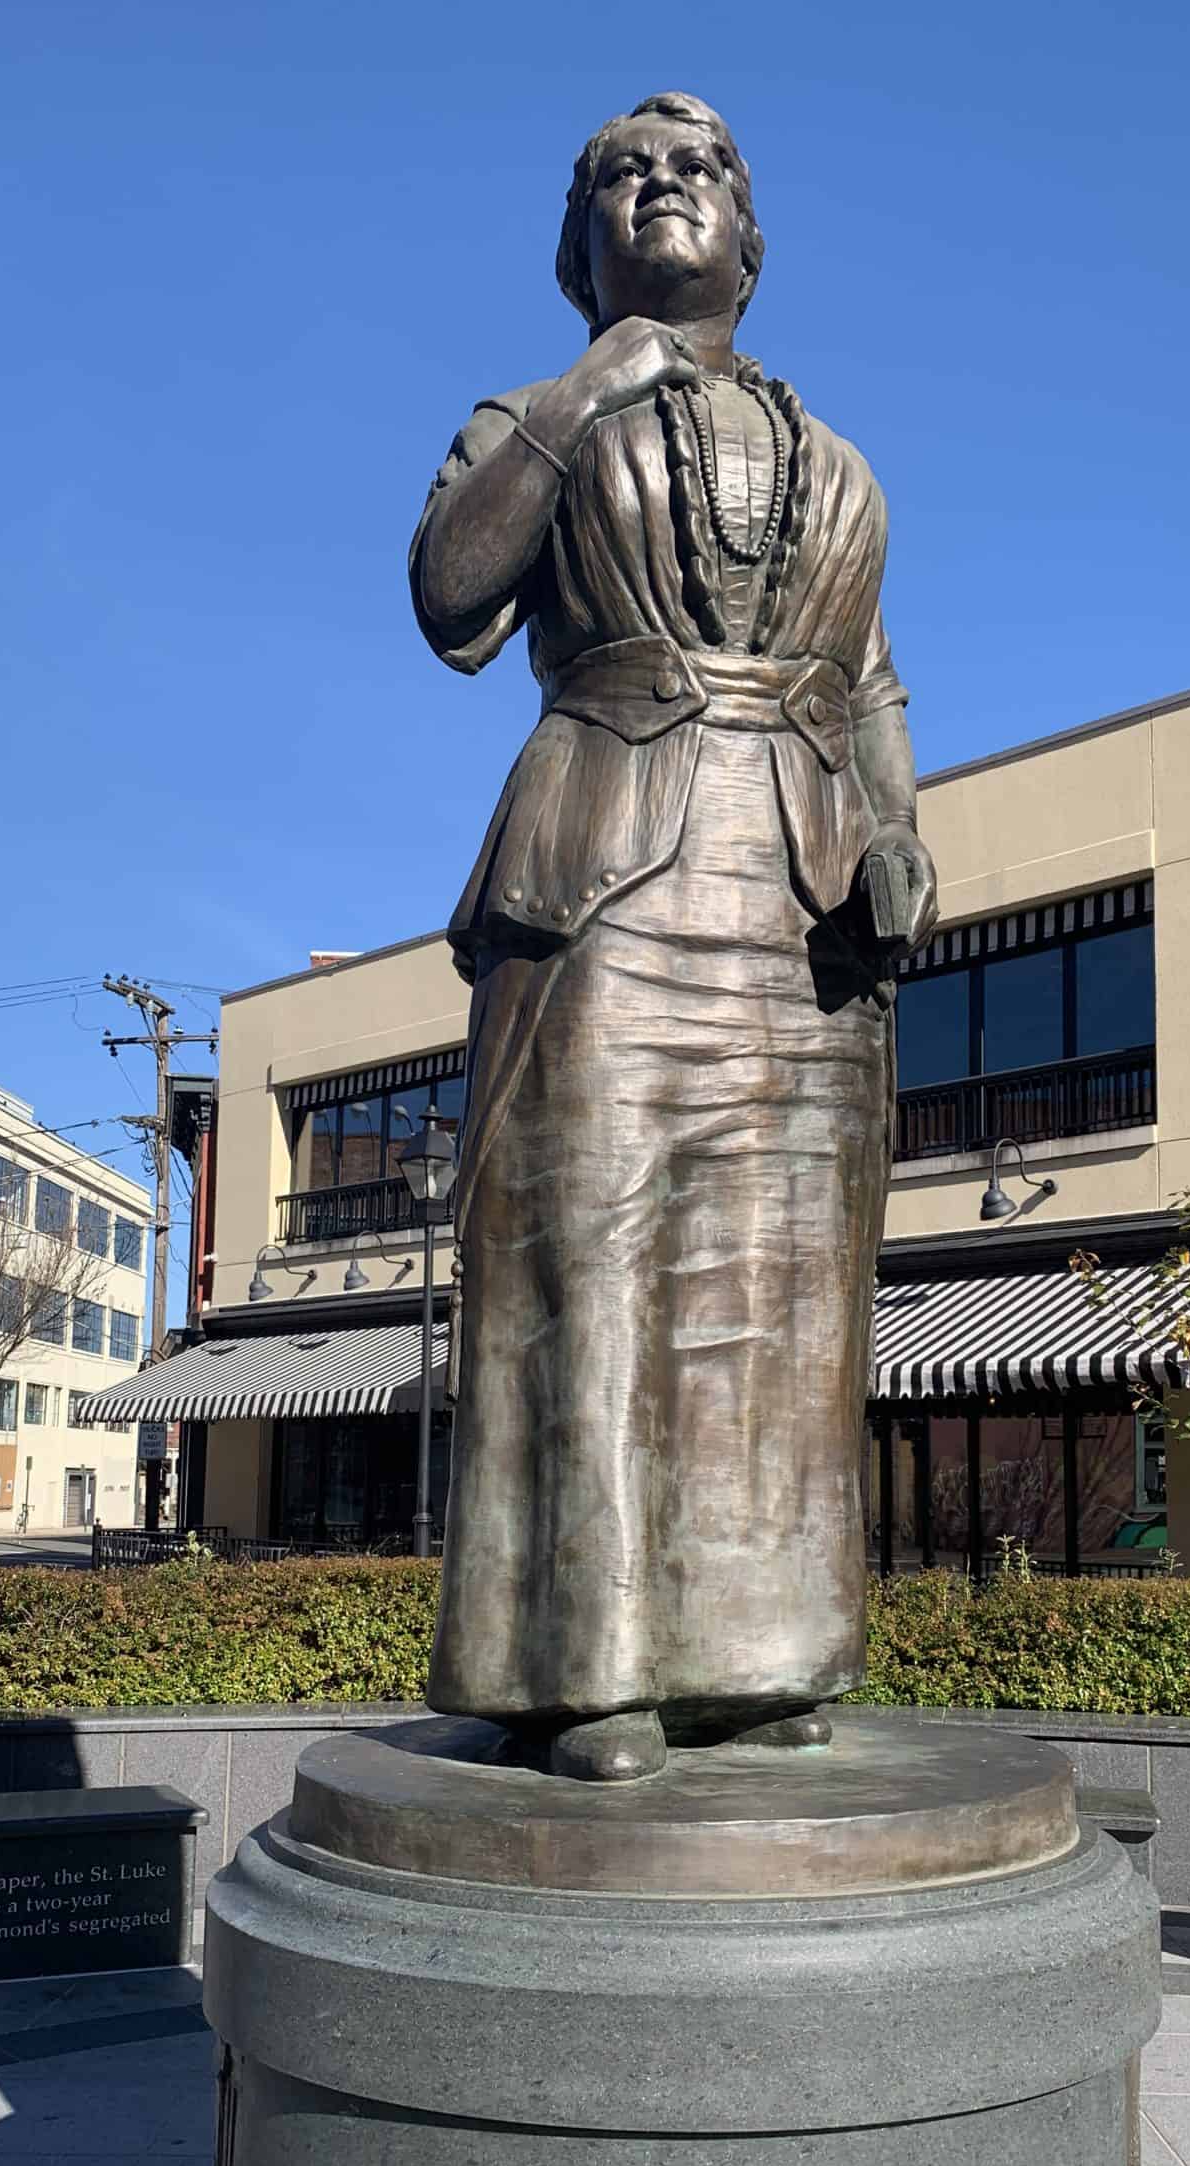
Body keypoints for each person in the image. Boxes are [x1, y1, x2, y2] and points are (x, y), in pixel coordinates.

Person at [411, 93, 936, 1779]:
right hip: (610, 871)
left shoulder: (834, 455)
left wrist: (903, 832)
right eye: (624, 176)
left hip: (799, 897)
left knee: (783, 1275)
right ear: (582, 244)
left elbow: (869, 682)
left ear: (752, 233)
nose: (663, 189)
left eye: (696, 168)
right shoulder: (540, 412)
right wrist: (583, 397)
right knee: (595, 1257)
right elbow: (447, 597)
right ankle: (590, 1672)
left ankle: (760, 1653)